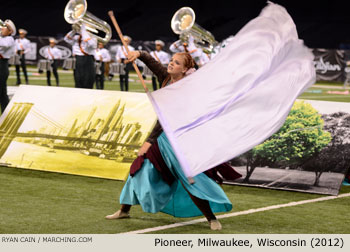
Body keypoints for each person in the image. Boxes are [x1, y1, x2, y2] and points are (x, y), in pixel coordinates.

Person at [105, 50, 241, 230]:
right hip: (162, 138)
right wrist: (139, 54)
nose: (171, 64)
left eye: (176, 63)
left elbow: (166, 119)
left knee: (190, 178)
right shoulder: (166, 78)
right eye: (171, 60)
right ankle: (124, 210)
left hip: (178, 139)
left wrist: (149, 141)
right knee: (139, 170)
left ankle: (211, 218)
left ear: (185, 70)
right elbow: (152, 62)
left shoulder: (185, 88)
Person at [64, 24, 97, 89]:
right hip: (78, 59)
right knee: (78, 79)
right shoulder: (77, 37)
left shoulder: (93, 38)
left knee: (88, 80)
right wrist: (74, 30)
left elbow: (91, 44)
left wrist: (83, 30)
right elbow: (66, 39)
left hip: (88, 60)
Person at [0, 19, 16, 113]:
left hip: (2, 65)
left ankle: (5, 114)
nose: (2, 28)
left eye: (6, 27)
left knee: (2, 92)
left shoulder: (10, 39)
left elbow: (3, 44)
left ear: (10, 31)